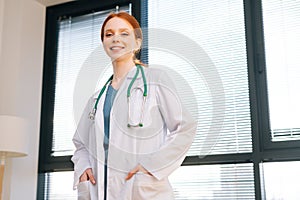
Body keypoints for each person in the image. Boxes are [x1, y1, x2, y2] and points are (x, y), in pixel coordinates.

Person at [71, 11, 197, 200]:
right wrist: (83, 168)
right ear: (104, 44)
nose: (115, 39)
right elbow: (81, 144)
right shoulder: (97, 98)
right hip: (100, 191)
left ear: (137, 43)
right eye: (109, 34)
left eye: (124, 33)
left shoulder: (155, 80)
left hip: (141, 189)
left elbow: (185, 127)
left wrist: (151, 166)